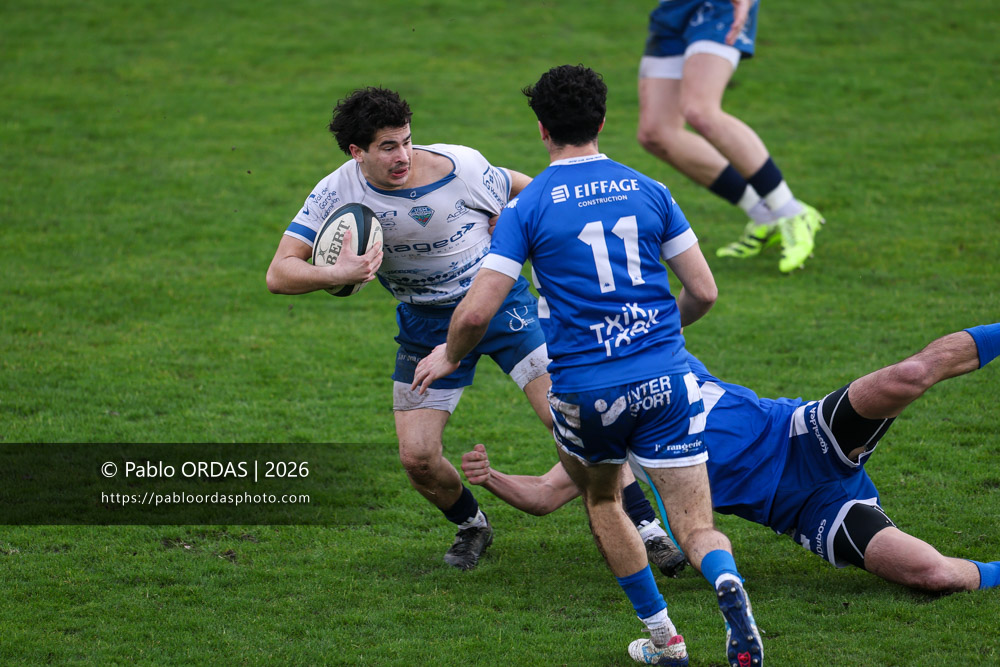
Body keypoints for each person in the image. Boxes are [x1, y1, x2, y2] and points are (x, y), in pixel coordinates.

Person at [413, 65, 762, 667]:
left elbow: (476, 312)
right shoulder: (651, 190)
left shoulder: (528, 206)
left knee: (603, 501)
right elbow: (704, 292)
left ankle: (666, 641)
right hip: (667, 379)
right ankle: (726, 580)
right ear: (602, 121)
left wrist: (449, 354)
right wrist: (656, 335)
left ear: (542, 129)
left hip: (586, 391)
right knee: (695, 525)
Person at [456, 324, 1000, 594]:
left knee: (910, 374)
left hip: (802, 432)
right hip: (805, 509)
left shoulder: (662, 354)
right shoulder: (608, 441)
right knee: (931, 574)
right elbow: (545, 495)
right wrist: (490, 477)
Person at [266, 86, 553, 571]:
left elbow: (533, 189)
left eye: (406, 141)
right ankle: (472, 525)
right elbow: (279, 274)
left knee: (568, 420)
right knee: (417, 458)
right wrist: (335, 273)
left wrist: (511, 219)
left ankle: (645, 527)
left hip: (499, 304)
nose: (403, 156)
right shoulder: (337, 190)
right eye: (387, 147)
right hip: (425, 323)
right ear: (356, 152)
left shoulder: (459, 167)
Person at [636, 0, 824, 273]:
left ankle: (792, 212)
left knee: (700, 110)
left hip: (719, 5)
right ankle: (765, 215)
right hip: (674, 8)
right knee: (656, 133)